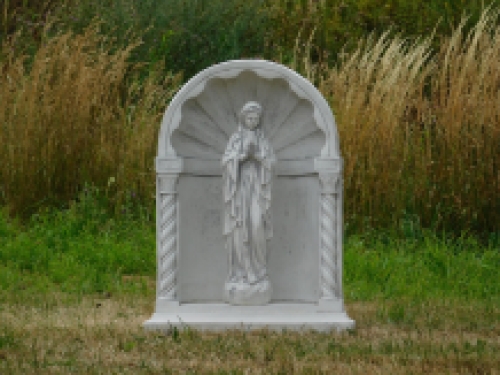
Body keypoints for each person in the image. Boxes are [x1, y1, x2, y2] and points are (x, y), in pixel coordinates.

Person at [221, 101, 275, 305]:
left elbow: (272, 163)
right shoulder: (236, 138)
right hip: (239, 191)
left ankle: (259, 272)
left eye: (256, 119)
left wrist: (258, 156)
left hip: (257, 190)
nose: (253, 122)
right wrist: (242, 157)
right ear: (243, 119)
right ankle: (242, 272)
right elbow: (225, 162)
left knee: (257, 224)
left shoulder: (262, 139)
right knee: (240, 227)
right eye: (249, 118)